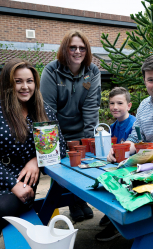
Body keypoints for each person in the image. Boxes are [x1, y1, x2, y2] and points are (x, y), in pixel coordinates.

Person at [0, 58, 66, 248]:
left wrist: (35, 160)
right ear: (7, 83)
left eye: (29, 81)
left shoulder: (44, 111)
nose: (25, 87)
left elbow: (60, 146)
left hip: (19, 177)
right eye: (18, 81)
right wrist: (12, 183)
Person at [40, 29, 101, 222]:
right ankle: (64, 202)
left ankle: (78, 200)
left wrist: (86, 140)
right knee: (59, 171)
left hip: (81, 131)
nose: (77, 51)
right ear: (65, 49)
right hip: (57, 131)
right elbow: (47, 111)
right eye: (72, 47)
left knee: (82, 166)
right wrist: (59, 143)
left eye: (82, 48)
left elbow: (91, 108)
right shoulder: (51, 71)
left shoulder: (92, 72)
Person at [96, 87, 137, 240]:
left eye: (120, 103)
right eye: (112, 103)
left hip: (130, 170)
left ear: (129, 106)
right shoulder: (112, 127)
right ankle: (111, 214)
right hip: (115, 166)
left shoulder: (134, 124)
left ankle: (117, 224)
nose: (114, 107)